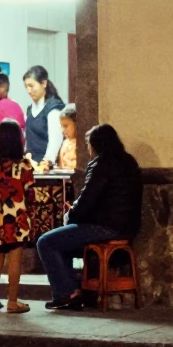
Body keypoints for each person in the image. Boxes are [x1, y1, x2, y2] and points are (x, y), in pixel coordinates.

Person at [36, 123, 143, 311]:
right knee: (63, 244)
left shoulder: (101, 164)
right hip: (127, 228)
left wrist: (70, 215)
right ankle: (73, 292)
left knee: (46, 242)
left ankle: (67, 294)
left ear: (95, 145)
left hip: (104, 227)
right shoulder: (129, 162)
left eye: (89, 145)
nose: (88, 149)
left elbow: (88, 200)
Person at [0, 119, 35, 315]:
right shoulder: (25, 165)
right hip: (16, 218)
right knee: (14, 260)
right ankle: (12, 301)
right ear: (19, 140)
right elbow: (30, 194)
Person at [23, 64, 64, 170]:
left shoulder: (53, 108)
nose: (28, 90)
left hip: (46, 168)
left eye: (31, 86)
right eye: (26, 86)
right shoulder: (30, 109)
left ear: (44, 83)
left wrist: (46, 163)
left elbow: (55, 142)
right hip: (31, 165)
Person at [0, 73, 25, 149]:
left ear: (0, 87)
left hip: (3, 150)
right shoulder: (16, 105)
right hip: (18, 150)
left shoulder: (1, 106)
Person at [57, 103, 78, 171]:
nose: (62, 131)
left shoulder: (82, 145)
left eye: (66, 126)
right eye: (62, 126)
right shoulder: (65, 143)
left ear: (76, 124)